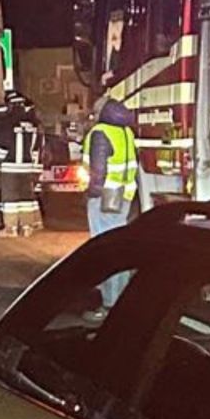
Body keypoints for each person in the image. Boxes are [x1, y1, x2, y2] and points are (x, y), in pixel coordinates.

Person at [83, 95, 143, 318]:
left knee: (105, 249)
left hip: (105, 197)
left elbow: (98, 170)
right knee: (119, 245)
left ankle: (109, 305)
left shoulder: (101, 133)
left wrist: (92, 193)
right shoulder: (125, 132)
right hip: (124, 195)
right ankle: (122, 298)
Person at [0, 91, 44, 236]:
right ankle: (26, 227)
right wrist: (36, 170)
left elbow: (1, 148)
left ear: (10, 105)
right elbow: (36, 149)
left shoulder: (6, 123)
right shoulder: (33, 125)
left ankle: (10, 228)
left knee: (10, 199)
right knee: (26, 197)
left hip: (9, 167)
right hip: (26, 167)